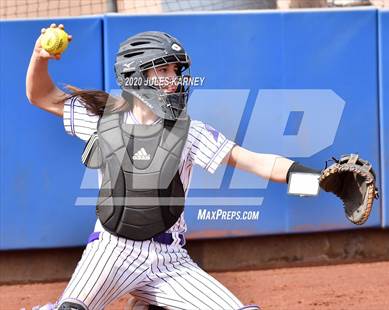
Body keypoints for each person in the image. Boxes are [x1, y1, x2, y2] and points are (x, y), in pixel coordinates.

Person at [26, 24, 317, 310]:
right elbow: (41, 96)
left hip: (169, 260)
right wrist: (40, 56)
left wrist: (316, 181)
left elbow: (254, 161)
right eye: (163, 70)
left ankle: (150, 302)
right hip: (111, 251)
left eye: (175, 72)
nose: (173, 79)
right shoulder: (104, 118)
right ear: (135, 74)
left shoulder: (190, 131)